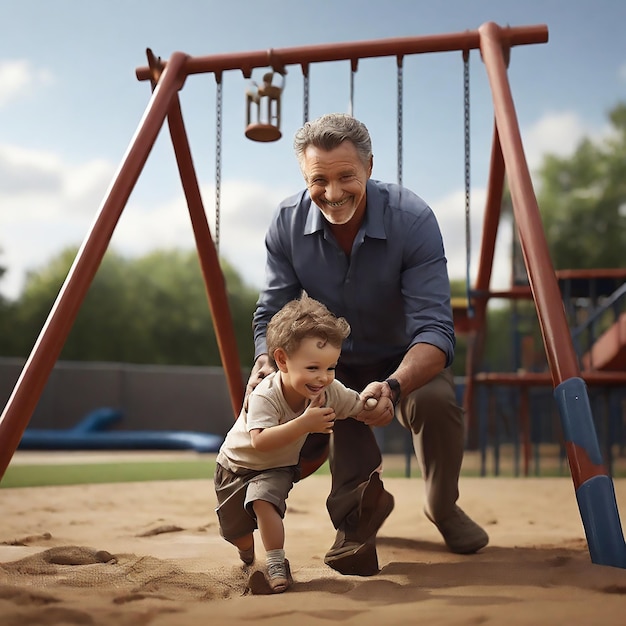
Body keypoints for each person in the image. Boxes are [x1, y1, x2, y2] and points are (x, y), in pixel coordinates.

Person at [247, 112, 489, 577]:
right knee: (330, 399)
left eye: (346, 177)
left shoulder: (412, 219)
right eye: (319, 180)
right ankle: (354, 524)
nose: (333, 194)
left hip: (405, 359)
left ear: (369, 167)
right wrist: (263, 360)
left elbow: (435, 330)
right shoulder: (285, 222)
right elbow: (271, 315)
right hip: (331, 364)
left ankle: (443, 508)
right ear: (304, 177)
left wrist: (394, 387)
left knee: (435, 402)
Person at [214, 294, 371, 593]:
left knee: (263, 501)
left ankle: (275, 563)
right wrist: (305, 424)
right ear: (283, 360)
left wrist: (375, 405)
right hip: (233, 466)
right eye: (313, 368)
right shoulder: (264, 395)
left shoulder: (328, 390)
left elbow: (357, 404)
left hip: (277, 467)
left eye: (331, 367)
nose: (323, 378)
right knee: (238, 534)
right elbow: (260, 441)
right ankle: (246, 551)